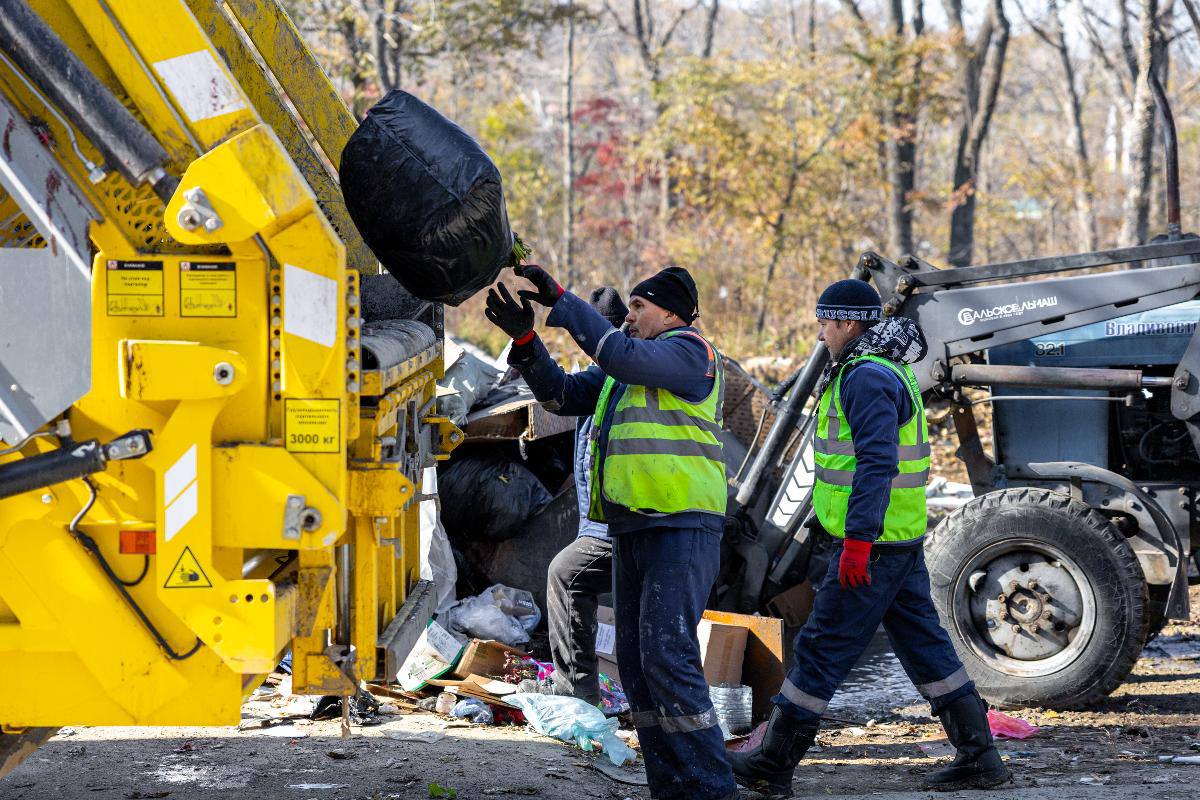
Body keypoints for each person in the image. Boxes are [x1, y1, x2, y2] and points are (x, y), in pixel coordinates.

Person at [729, 279, 1011, 797]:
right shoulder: (888, 369)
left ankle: (773, 763)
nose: (820, 333)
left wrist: (856, 540)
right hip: (896, 543)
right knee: (926, 649)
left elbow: (876, 462)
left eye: (825, 323)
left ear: (849, 324)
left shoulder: (864, 379)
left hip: (872, 548)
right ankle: (979, 754)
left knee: (820, 648)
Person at [484, 264, 737, 800]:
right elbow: (557, 396)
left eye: (640, 308)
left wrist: (559, 299)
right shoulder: (627, 371)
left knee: (668, 656)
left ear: (670, 313)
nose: (630, 317)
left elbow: (617, 353)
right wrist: (526, 341)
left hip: (681, 527)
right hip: (632, 531)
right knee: (638, 662)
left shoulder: (691, 353)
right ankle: (670, 786)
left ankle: (713, 788)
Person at [544, 287, 627, 706]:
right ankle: (584, 693)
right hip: (603, 526)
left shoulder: (625, 376)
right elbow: (563, 394)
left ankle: (578, 694)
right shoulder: (603, 377)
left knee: (565, 573)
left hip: (626, 526)